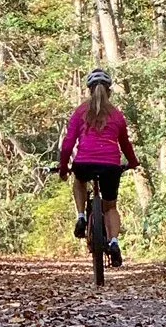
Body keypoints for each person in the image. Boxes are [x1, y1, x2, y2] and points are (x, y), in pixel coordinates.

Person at [58, 69, 139, 268]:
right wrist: (133, 162)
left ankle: (81, 216)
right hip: (110, 166)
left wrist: (63, 167)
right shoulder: (117, 115)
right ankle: (114, 242)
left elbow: (68, 144)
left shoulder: (80, 112)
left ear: (89, 90)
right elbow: (125, 144)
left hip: (84, 163)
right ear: (109, 91)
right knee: (110, 206)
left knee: (79, 181)